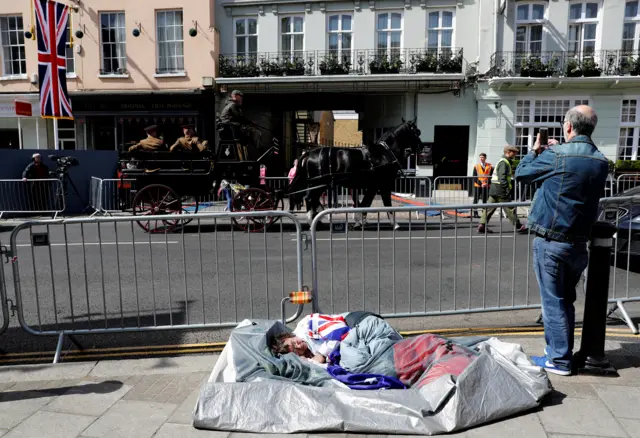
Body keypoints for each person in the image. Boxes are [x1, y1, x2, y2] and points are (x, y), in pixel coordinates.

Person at [515, 105, 608, 376]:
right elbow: (573, 174)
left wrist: (536, 150)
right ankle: (559, 352)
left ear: (568, 126)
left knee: (552, 302)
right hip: (578, 244)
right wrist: (557, 151)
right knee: (565, 300)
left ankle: (559, 360)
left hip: (551, 241)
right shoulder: (600, 160)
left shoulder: (557, 156)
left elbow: (522, 173)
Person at [477, 146, 526, 234]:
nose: (515, 154)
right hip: (501, 190)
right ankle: (519, 226)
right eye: (513, 152)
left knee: (489, 208)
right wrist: (506, 188)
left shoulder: (503, 161)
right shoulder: (504, 162)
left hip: (494, 189)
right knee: (510, 209)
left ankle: (482, 225)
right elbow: (502, 177)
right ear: (508, 152)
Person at [270, 313, 351, 365]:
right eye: (296, 351)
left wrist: (322, 354)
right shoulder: (307, 354)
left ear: (286, 337)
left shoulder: (307, 325)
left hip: (353, 324)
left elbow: (340, 329)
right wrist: (309, 361)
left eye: (294, 343)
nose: (298, 346)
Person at [219, 90, 262, 154]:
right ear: (235, 96)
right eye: (240, 97)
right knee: (254, 131)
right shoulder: (232, 105)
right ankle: (256, 148)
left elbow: (239, 118)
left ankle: (245, 148)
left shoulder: (232, 105)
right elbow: (239, 117)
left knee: (248, 130)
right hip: (230, 128)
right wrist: (250, 123)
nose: (241, 99)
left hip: (231, 127)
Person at [472, 153, 493, 218]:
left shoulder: (490, 166)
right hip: (478, 186)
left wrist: (487, 183)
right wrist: (481, 183)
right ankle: (475, 213)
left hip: (486, 186)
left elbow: (491, 176)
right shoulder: (476, 166)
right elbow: (474, 177)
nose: (481, 159)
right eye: (480, 157)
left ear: (485, 158)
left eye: (482, 157)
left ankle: (484, 213)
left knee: (485, 200)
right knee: (476, 199)